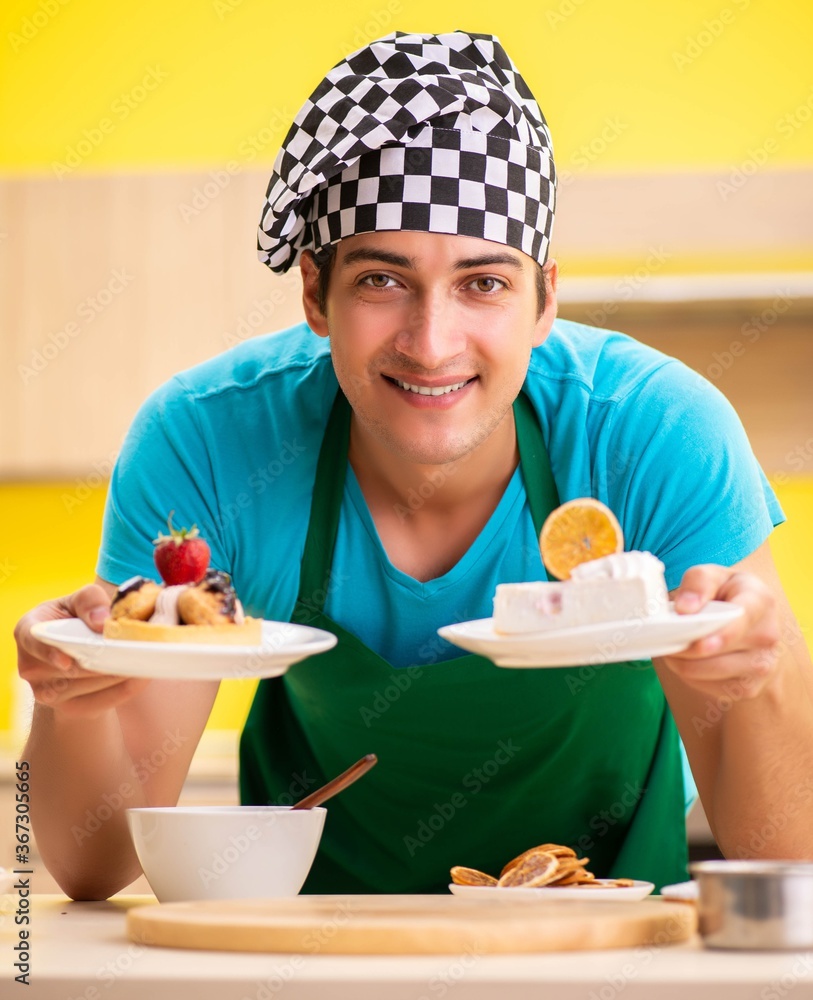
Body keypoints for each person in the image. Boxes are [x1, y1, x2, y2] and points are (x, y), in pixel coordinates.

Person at [15, 30, 813, 901]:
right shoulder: (208, 440)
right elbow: (93, 865)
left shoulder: (653, 433)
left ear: (545, 299)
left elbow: (793, 850)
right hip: (300, 958)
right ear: (315, 293)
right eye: (381, 281)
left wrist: (760, 675)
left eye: (483, 283)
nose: (431, 345)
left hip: (608, 949)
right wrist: (70, 696)